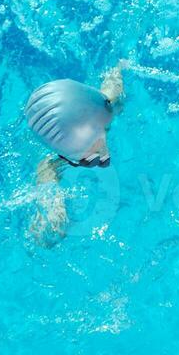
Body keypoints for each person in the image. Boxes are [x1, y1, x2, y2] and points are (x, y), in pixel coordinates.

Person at [25, 64, 125, 245]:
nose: (104, 155)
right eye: (89, 159)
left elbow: (111, 91)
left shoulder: (105, 107)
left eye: (105, 130)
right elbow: (47, 235)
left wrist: (120, 68)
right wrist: (52, 206)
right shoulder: (55, 162)